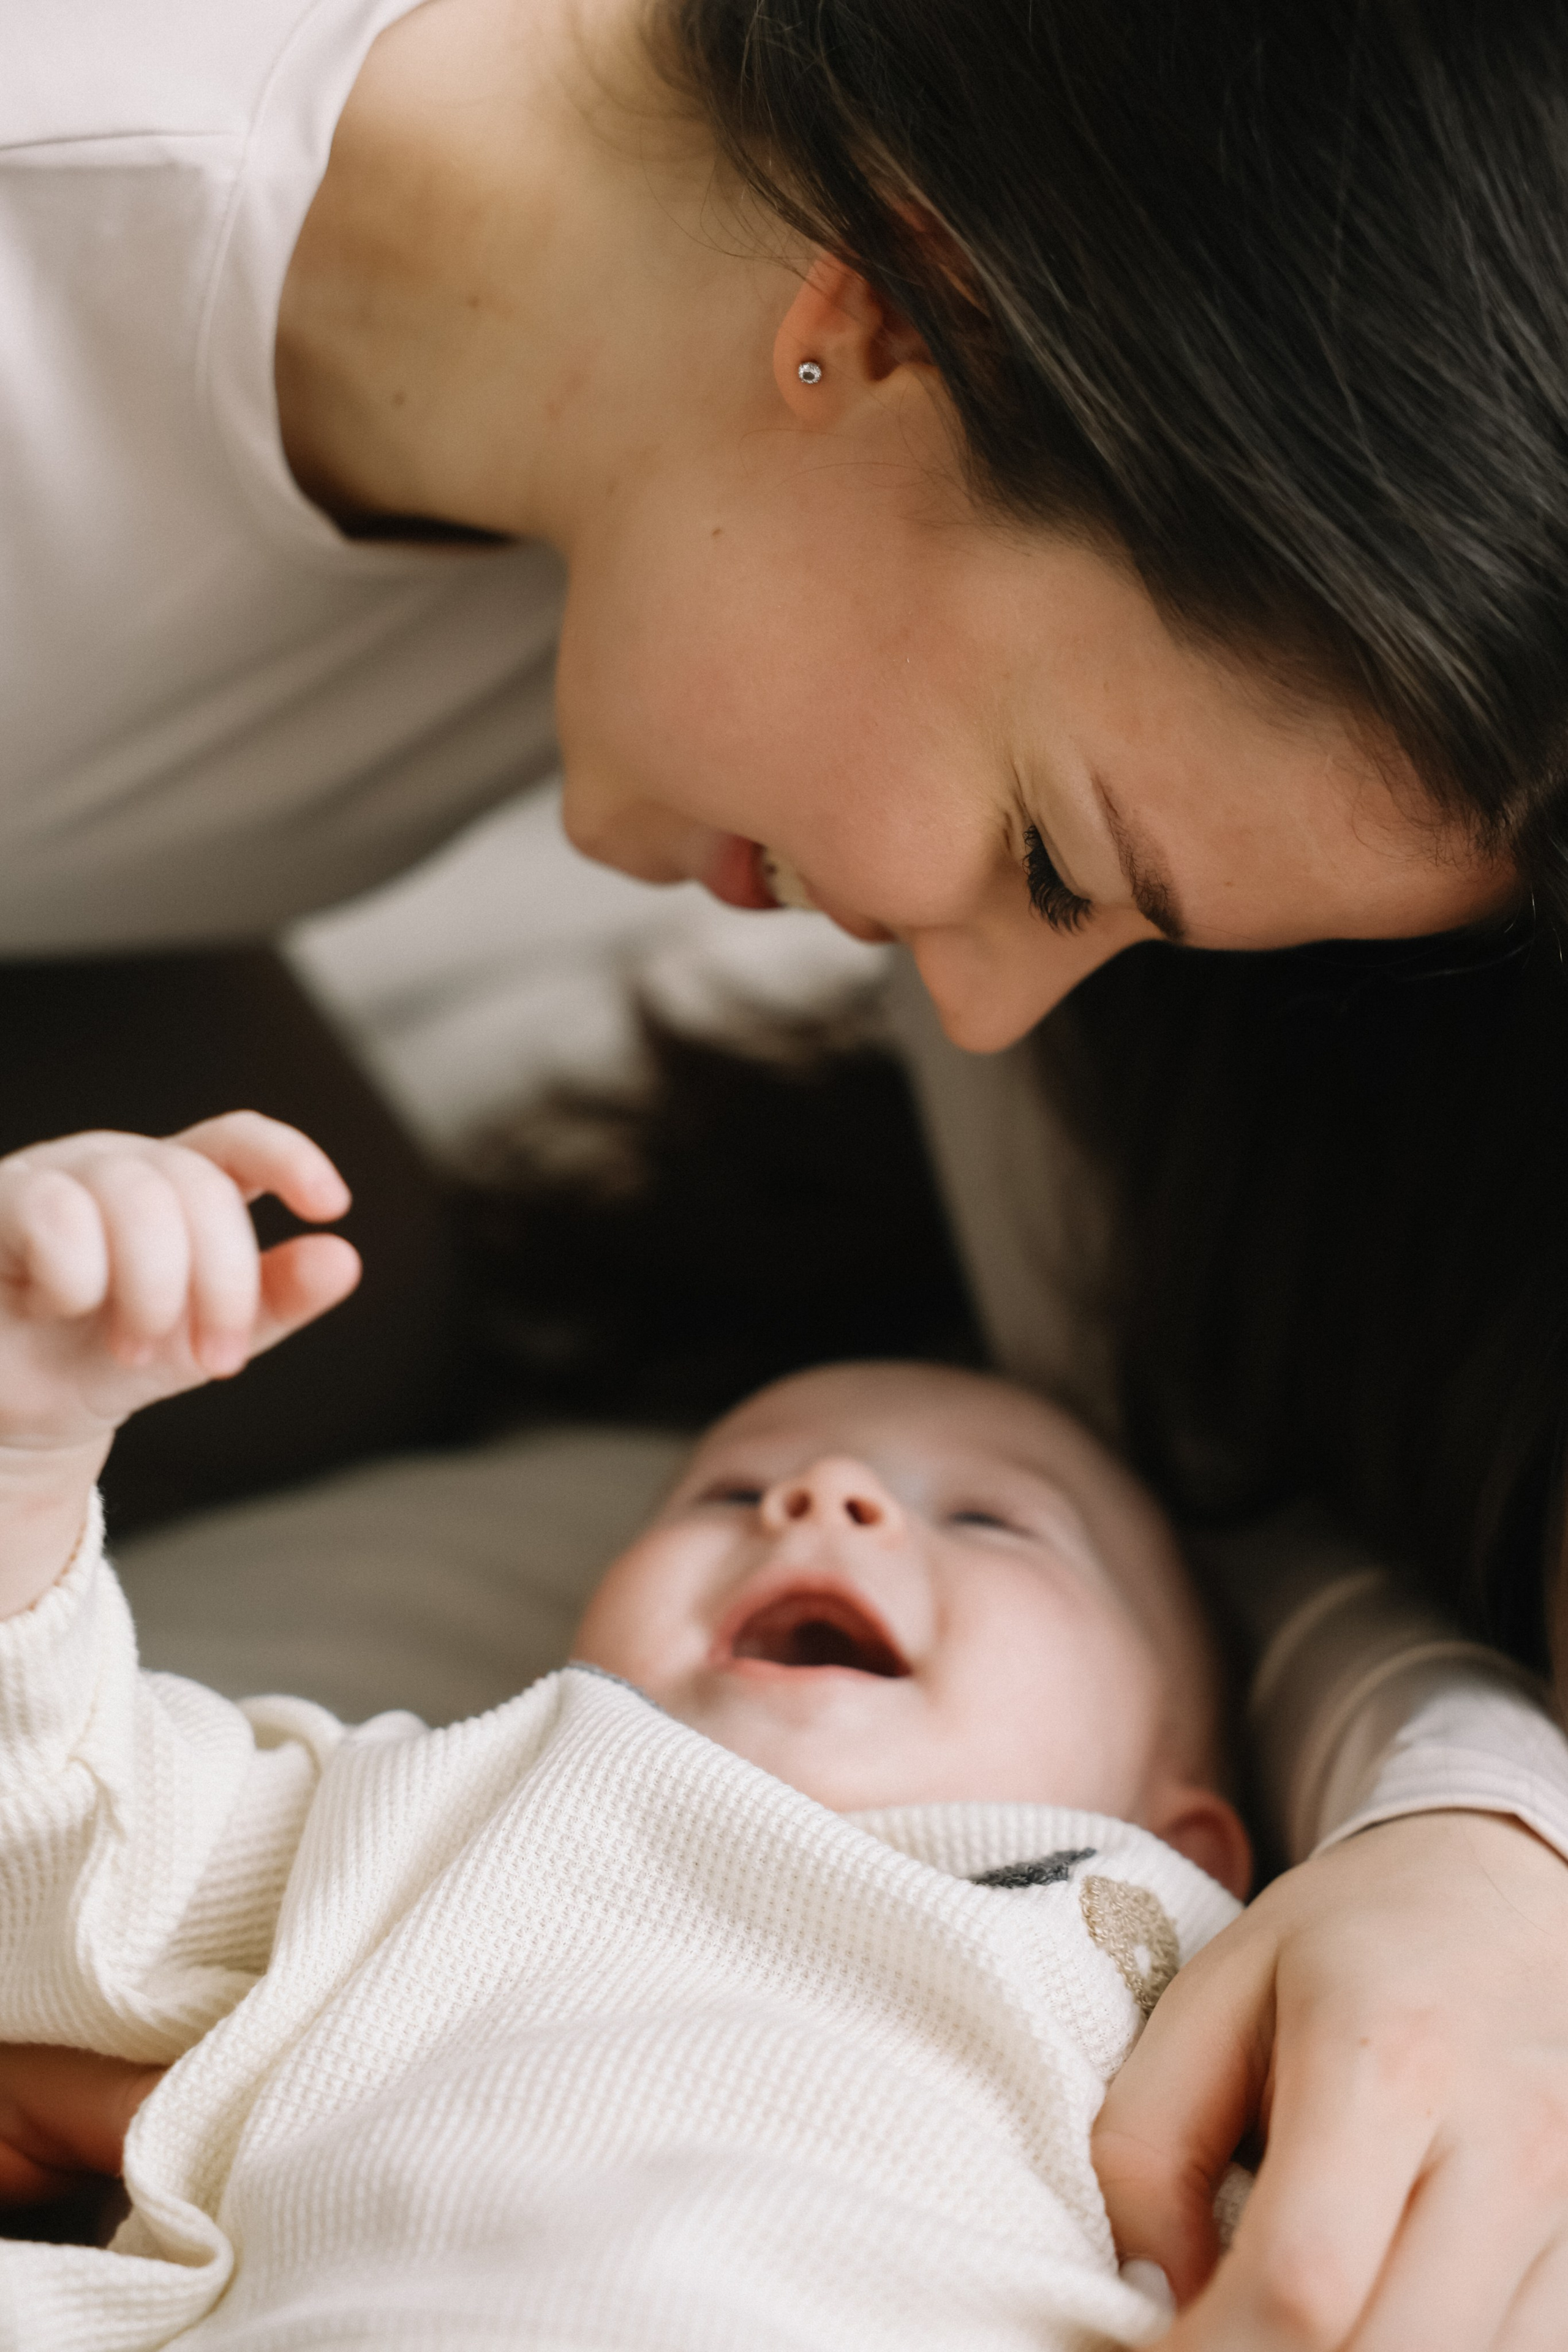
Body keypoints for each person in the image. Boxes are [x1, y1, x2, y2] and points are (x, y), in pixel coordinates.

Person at [11, 2, 1568, 2340]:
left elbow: (1139, 1484)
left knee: (342, 1279)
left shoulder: (735, 437)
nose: (974, 1012)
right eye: (1055, 857)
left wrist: (1475, 1831)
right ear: (893, 313)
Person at [0, 1110, 1265, 2346]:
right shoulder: (463, 1809)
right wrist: (29, 1454)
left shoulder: (1176, 1964)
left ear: (1195, 1841)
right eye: (730, 1493)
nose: (823, 1497)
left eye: (992, 1520)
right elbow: (69, 1824)